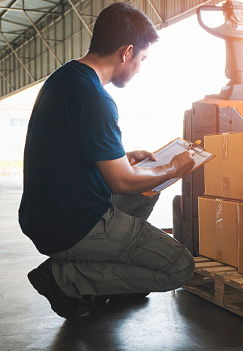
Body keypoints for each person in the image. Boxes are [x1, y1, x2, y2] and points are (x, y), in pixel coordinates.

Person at [18, 2, 196, 321]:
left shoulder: (66, 79)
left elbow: (70, 153)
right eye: (141, 58)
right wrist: (175, 168)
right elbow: (121, 182)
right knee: (179, 267)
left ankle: (106, 275)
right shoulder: (96, 98)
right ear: (127, 52)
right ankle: (64, 280)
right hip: (72, 225)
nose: (140, 66)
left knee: (148, 189)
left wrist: (124, 158)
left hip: (46, 216)